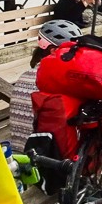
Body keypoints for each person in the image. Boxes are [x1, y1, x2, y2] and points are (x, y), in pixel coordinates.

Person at [9, 19, 83, 150]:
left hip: (18, 152)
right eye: (71, 52)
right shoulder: (59, 81)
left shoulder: (25, 76)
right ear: (53, 51)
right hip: (46, 157)